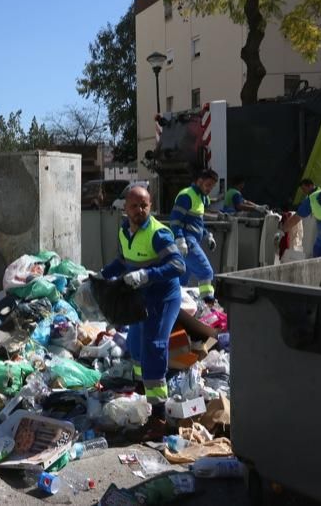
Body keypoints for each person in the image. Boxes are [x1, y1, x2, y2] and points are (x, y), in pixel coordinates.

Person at [101, 186, 185, 440]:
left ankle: (159, 415)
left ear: (151, 206)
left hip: (162, 298)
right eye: (134, 205)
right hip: (140, 299)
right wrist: (100, 276)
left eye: (144, 205)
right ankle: (141, 390)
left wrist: (147, 274)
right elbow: (123, 261)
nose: (140, 210)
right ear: (125, 208)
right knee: (135, 345)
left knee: (153, 347)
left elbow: (178, 265)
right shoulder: (125, 231)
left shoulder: (158, 234)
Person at [169, 169, 218, 301]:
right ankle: (208, 305)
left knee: (181, 280)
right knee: (206, 272)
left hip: (188, 242)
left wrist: (208, 236)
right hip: (187, 242)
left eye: (212, 187)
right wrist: (180, 239)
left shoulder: (200, 198)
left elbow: (196, 224)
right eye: (208, 185)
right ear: (199, 181)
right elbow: (175, 219)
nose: (209, 189)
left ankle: (178, 307)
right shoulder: (187, 195)